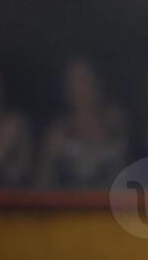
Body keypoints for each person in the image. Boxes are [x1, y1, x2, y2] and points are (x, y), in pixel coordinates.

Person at [36, 57, 127, 189]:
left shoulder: (116, 125)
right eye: (74, 81)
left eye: (85, 79)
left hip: (108, 205)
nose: (81, 87)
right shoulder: (58, 133)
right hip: (69, 205)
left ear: (97, 83)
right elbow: (42, 184)